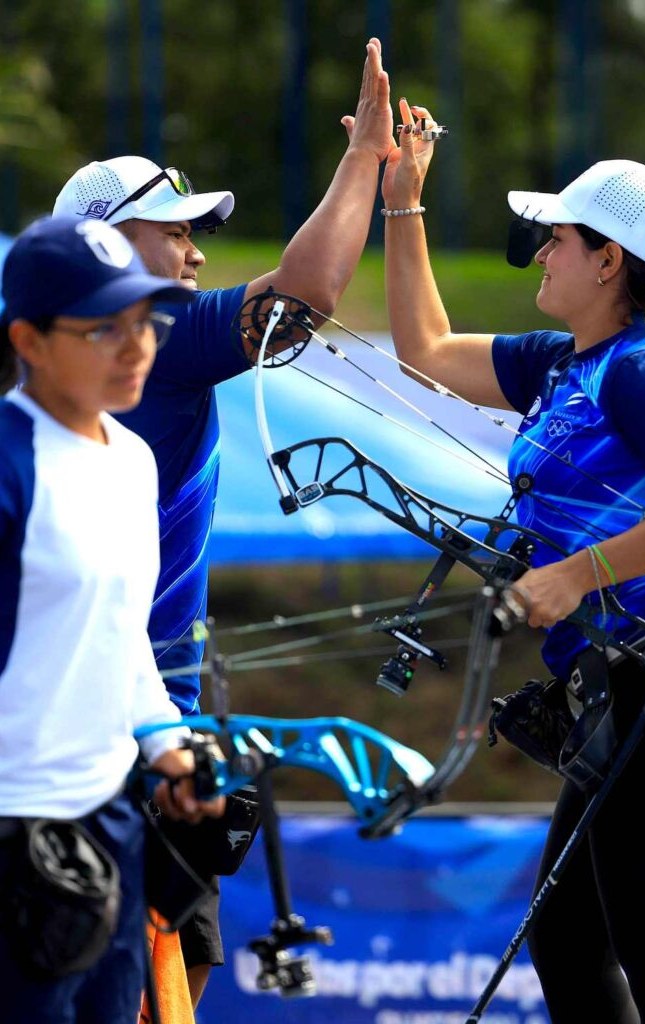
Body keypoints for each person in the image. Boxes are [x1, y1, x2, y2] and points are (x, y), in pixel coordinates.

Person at [382, 100, 645, 1024]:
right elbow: (422, 352)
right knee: (571, 947)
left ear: (609, 261)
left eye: (559, 239)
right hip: (620, 689)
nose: (542, 252)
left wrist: (575, 572)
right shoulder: (562, 362)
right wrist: (403, 203)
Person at [50, 37, 394, 1004]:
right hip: (98, 726)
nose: (196, 250)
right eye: (175, 231)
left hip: (158, 705)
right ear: (108, 249)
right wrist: (365, 160)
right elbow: (310, 293)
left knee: (171, 945)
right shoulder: (153, 332)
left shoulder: (90, 342)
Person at [0, 215, 225, 1024]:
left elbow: (122, 634)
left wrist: (167, 744)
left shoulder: (134, 460)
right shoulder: (7, 465)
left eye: (145, 320)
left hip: (111, 823)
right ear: (28, 339)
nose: (136, 345)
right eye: (104, 328)